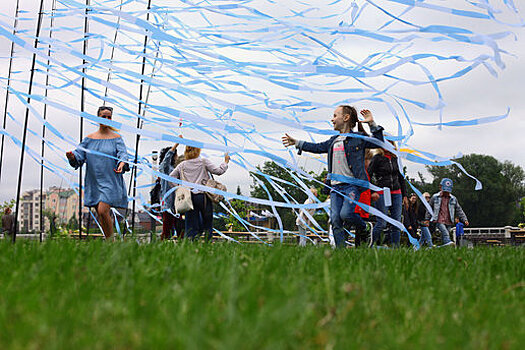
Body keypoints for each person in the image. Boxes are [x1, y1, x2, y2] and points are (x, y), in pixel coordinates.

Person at [282, 106, 384, 248]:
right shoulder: (333, 140)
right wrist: (298, 143)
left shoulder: (358, 139)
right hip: (335, 187)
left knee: (346, 214)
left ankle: (365, 228)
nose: (332, 119)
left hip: (352, 186)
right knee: (335, 219)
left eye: (335, 115)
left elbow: (378, 142)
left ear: (346, 118)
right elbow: (317, 147)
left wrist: (372, 124)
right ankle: (340, 253)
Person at [66, 106, 129, 239]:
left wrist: (122, 163)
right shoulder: (89, 139)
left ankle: (111, 241)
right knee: (100, 213)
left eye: (109, 117)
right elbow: (79, 155)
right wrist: (72, 157)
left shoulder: (116, 138)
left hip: (110, 180)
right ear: (97, 118)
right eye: (103, 116)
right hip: (94, 181)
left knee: (103, 209)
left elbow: (123, 154)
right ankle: (109, 240)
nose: (106, 119)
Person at [169, 146, 230, 241]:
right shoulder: (203, 161)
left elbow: (171, 177)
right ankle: (207, 242)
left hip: (189, 198)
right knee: (207, 223)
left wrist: (179, 188)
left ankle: (190, 244)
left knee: (190, 225)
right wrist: (225, 162)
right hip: (203, 196)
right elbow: (218, 171)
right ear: (198, 150)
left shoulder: (182, 165)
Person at [367, 142, 408, 247]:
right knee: (382, 223)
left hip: (397, 193)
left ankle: (396, 248)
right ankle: (370, 245)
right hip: (382, 192)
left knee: (396, 222)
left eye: (390, 143)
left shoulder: (396, 159)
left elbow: (401, 177)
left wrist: (405, 195)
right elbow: (368, 175)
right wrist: (373, 191)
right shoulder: (377, 158)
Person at [425, 178, 469, 247]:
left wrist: (464, 219)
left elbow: (459, 210)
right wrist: (427, 219)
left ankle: (443, 248)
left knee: (445, 234)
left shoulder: (453, 199)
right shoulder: (435, 197)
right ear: (440, 187)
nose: (446, 192)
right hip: (438, 219)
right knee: (446, 234)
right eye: (445, 190)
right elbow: (429, 208)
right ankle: (449, 244)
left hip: (449, 220)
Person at [158, 138, 185, 240]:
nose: (177, 157)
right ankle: (162, 248)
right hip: (168, 205)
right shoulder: (165, 169)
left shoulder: (173, 169)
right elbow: (166, 160)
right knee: (167, 230)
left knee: (180, 228)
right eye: (176, 155)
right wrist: (175, 146)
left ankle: (182, 248)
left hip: (176, 204)